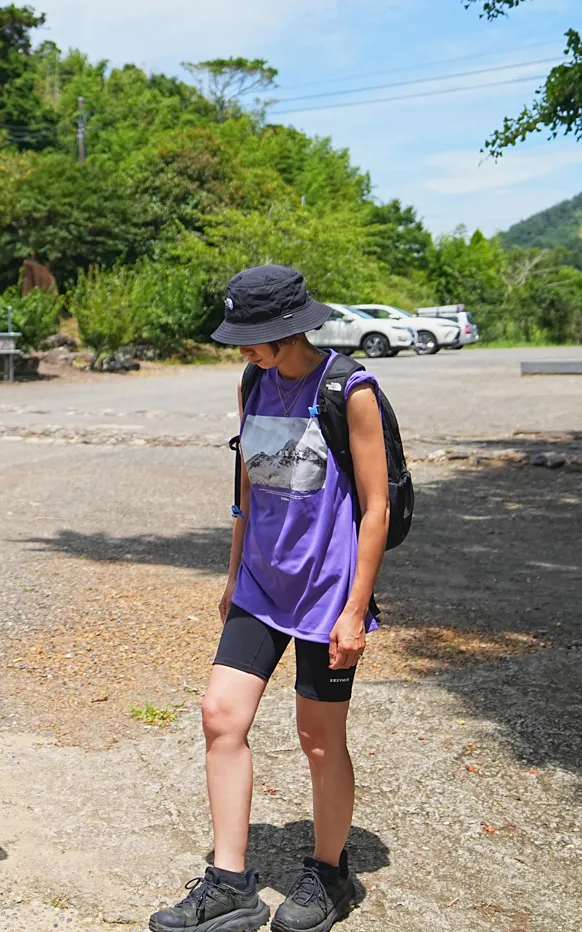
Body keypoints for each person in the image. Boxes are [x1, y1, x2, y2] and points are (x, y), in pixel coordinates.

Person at [150, 265, 388, 932]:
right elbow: (247, 488)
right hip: (260, 584)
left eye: (254, 337)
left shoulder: (351, 389)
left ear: (291, 328)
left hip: (326, 593)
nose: (243, 348)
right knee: (220, 716)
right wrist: (232, 575)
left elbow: (376, 508)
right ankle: (230, 884)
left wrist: (354, 610)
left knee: (318, 739)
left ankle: (330, 875)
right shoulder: (253, 380)